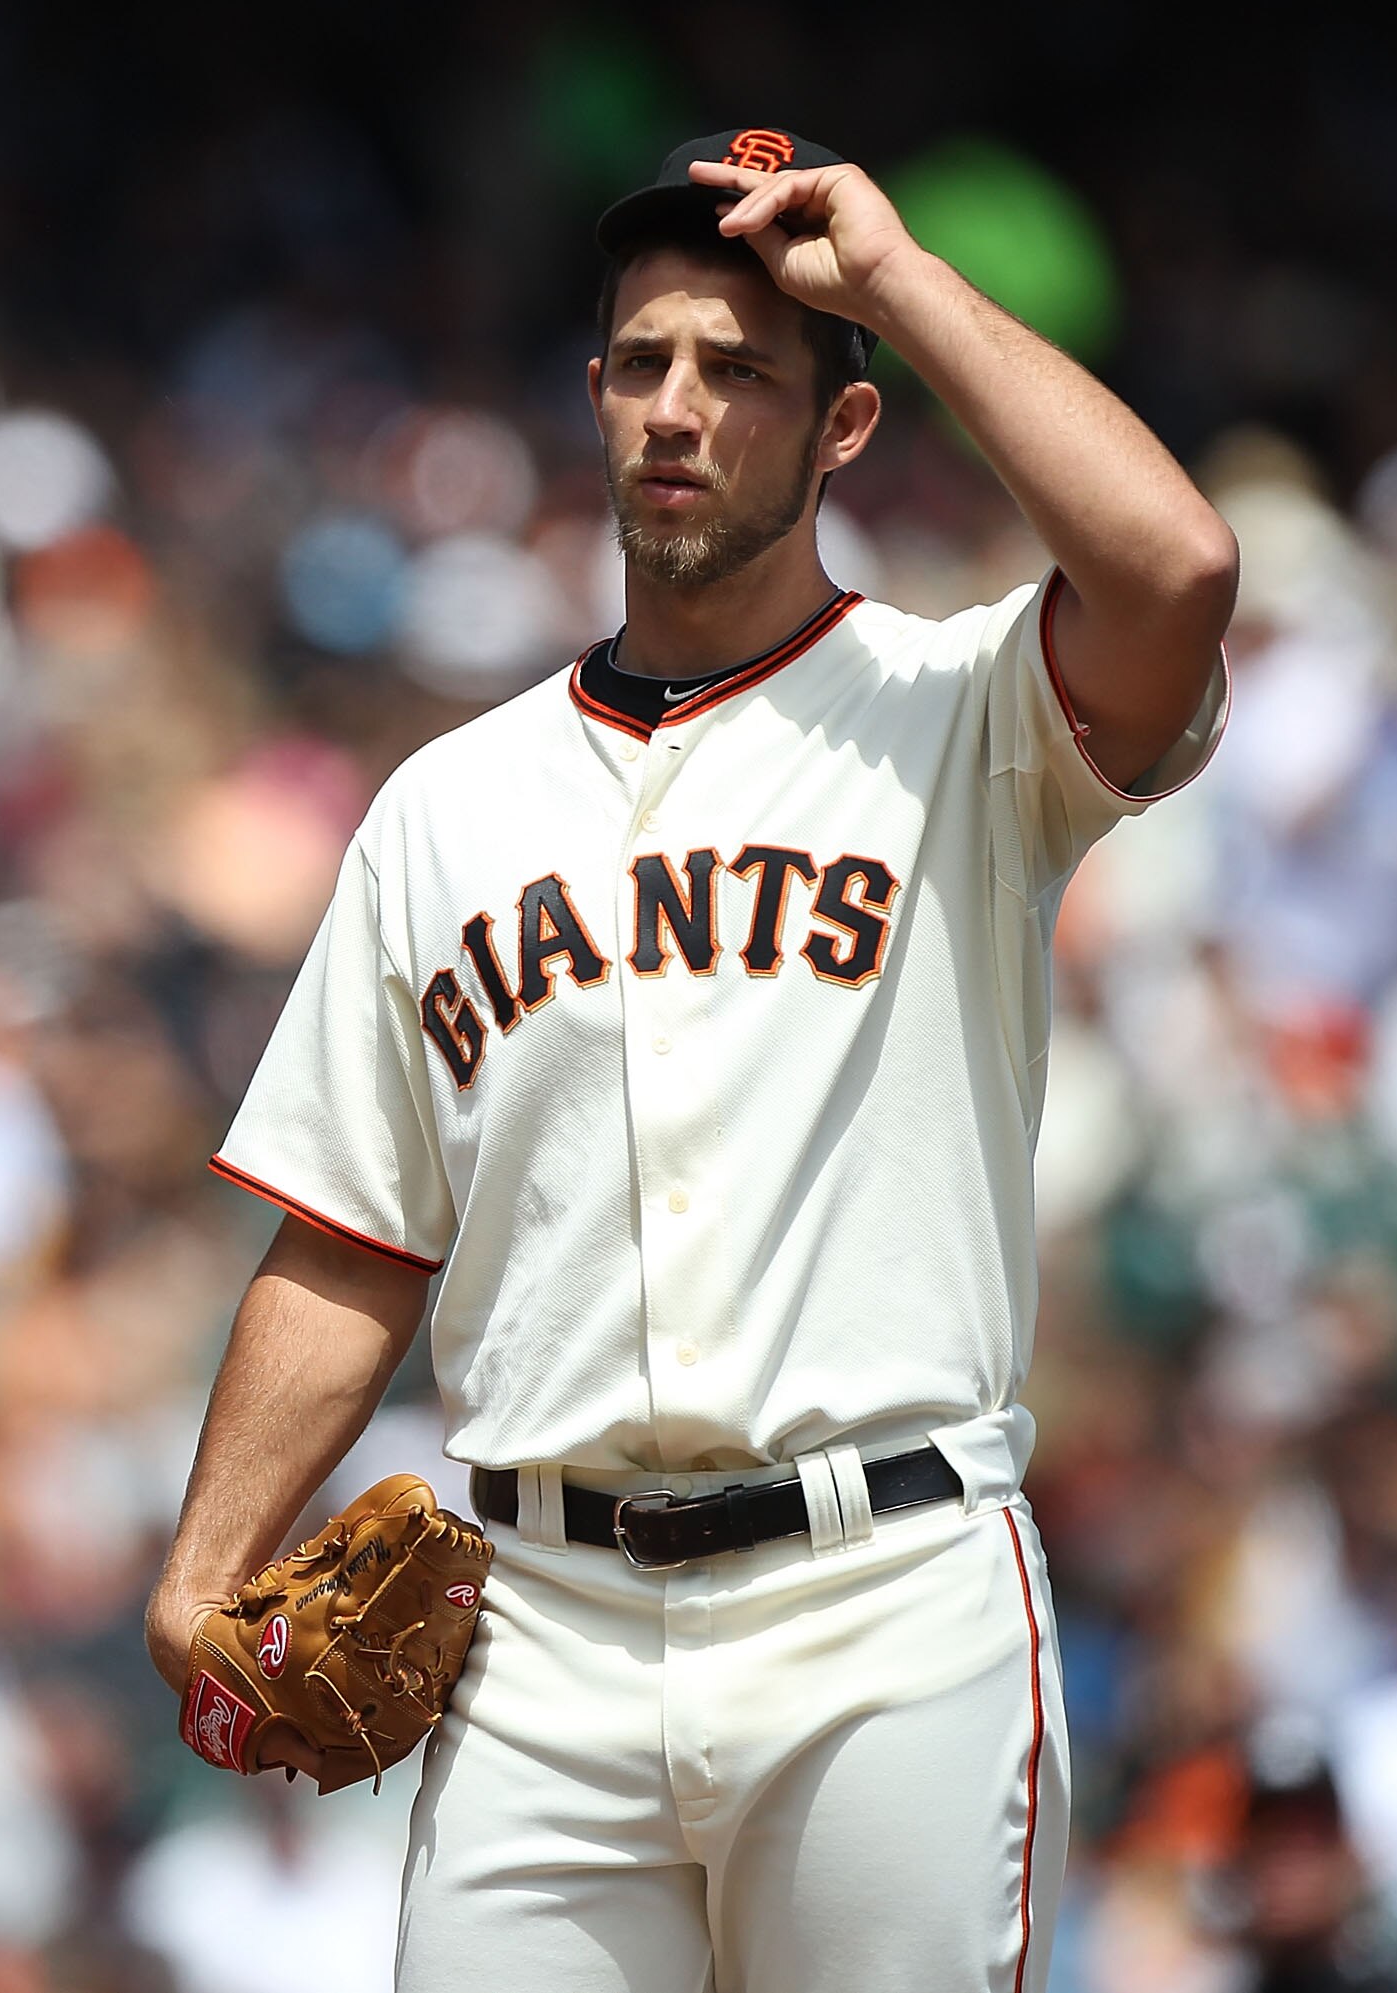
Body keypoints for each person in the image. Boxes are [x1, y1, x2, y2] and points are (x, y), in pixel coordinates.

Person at [144, 128, 1237, 1992]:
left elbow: (1174, 566)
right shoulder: (445, 806)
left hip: (879, 1598)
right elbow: (351, 1234)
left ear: (844, 428)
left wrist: (889, 277)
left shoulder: (962, 712)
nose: (679, 406)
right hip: (540, 1625)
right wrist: (204, 1559)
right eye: (645, 362)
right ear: (592, 398)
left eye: (740, 372)